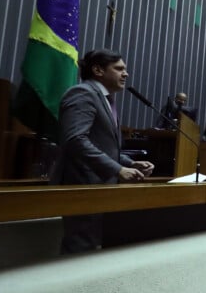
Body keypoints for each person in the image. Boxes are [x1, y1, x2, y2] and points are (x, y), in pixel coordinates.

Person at [51, 49, 155, 252]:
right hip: (82, 182)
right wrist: (116, 169)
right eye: (119, 69)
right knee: (81, 246)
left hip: (99, 184)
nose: (125, 74)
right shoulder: (83, 93)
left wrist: (129, 163)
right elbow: (75, 140)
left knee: (94, 245)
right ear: (98, 70)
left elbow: (100, 144)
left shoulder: (104, 98)